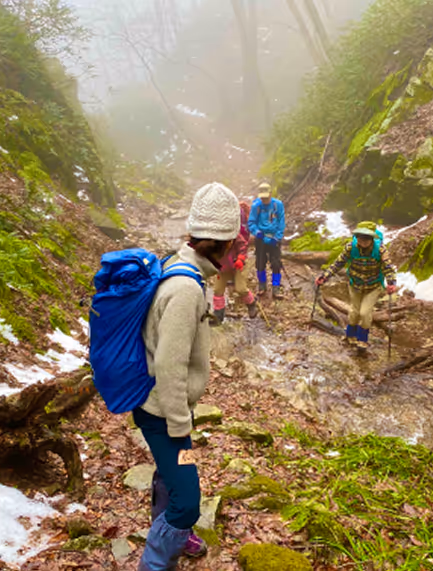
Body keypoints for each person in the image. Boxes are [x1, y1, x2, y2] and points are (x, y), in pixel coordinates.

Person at [136, 182, 240, 571]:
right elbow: (169, 364)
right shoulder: (185, 290)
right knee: (187, 499)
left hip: (169, 409)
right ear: (224, 241)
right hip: (164, 414)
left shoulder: (181, 267)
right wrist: (180, 424)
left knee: (170, 475)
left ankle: (176, 534)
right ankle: (156, 561)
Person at [316, 221, 398, 352]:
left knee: (364, 313)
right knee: (354, 312)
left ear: (372, 238)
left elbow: (388, 268)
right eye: (360, 237)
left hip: (373, 286)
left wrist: (391, 283)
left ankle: (362, 340)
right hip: (355, 285)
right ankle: (350, 336)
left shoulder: (380, 250)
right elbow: (338, 263)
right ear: (357, 237)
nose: (363, 240)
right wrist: (324, 276)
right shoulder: (350, 247)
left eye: (366, 238)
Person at [213, 201, 258, 324]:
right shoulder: (213, 236)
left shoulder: (233, 233)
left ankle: (252, 303)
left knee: (240, 288)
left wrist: (241, 259)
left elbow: (243, 245)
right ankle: (218, 316)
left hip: (237, 264)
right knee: (218, 289)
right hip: (223, 266)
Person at [248, 183, 286, 299]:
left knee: (275, 263)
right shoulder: (256, 206)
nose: (264, 199)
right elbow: (251, 222)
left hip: (274, 238)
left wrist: (277, 237)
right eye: (262, 197)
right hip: (261, 239)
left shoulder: (277, 205)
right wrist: (257, 232)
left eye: (266, 197)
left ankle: (276, 287)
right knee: (260, 263)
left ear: (270, 193)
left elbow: (281, 222)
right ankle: (262, 285)